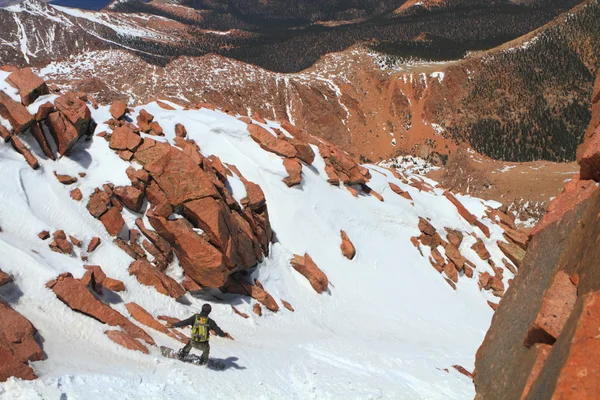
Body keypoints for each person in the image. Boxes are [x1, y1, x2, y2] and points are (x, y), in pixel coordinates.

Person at [167, 303, 233, 364]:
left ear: (201, 309)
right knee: (207, 349)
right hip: (203, 345)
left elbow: (184, 322)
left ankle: (183, 354)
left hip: (194, 342)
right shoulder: (210, 321)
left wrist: (173, 325)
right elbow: (219, 332)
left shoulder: (195, 318)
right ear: (209, 312)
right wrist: (225, 335)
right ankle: (203, 360)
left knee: (190, 341)